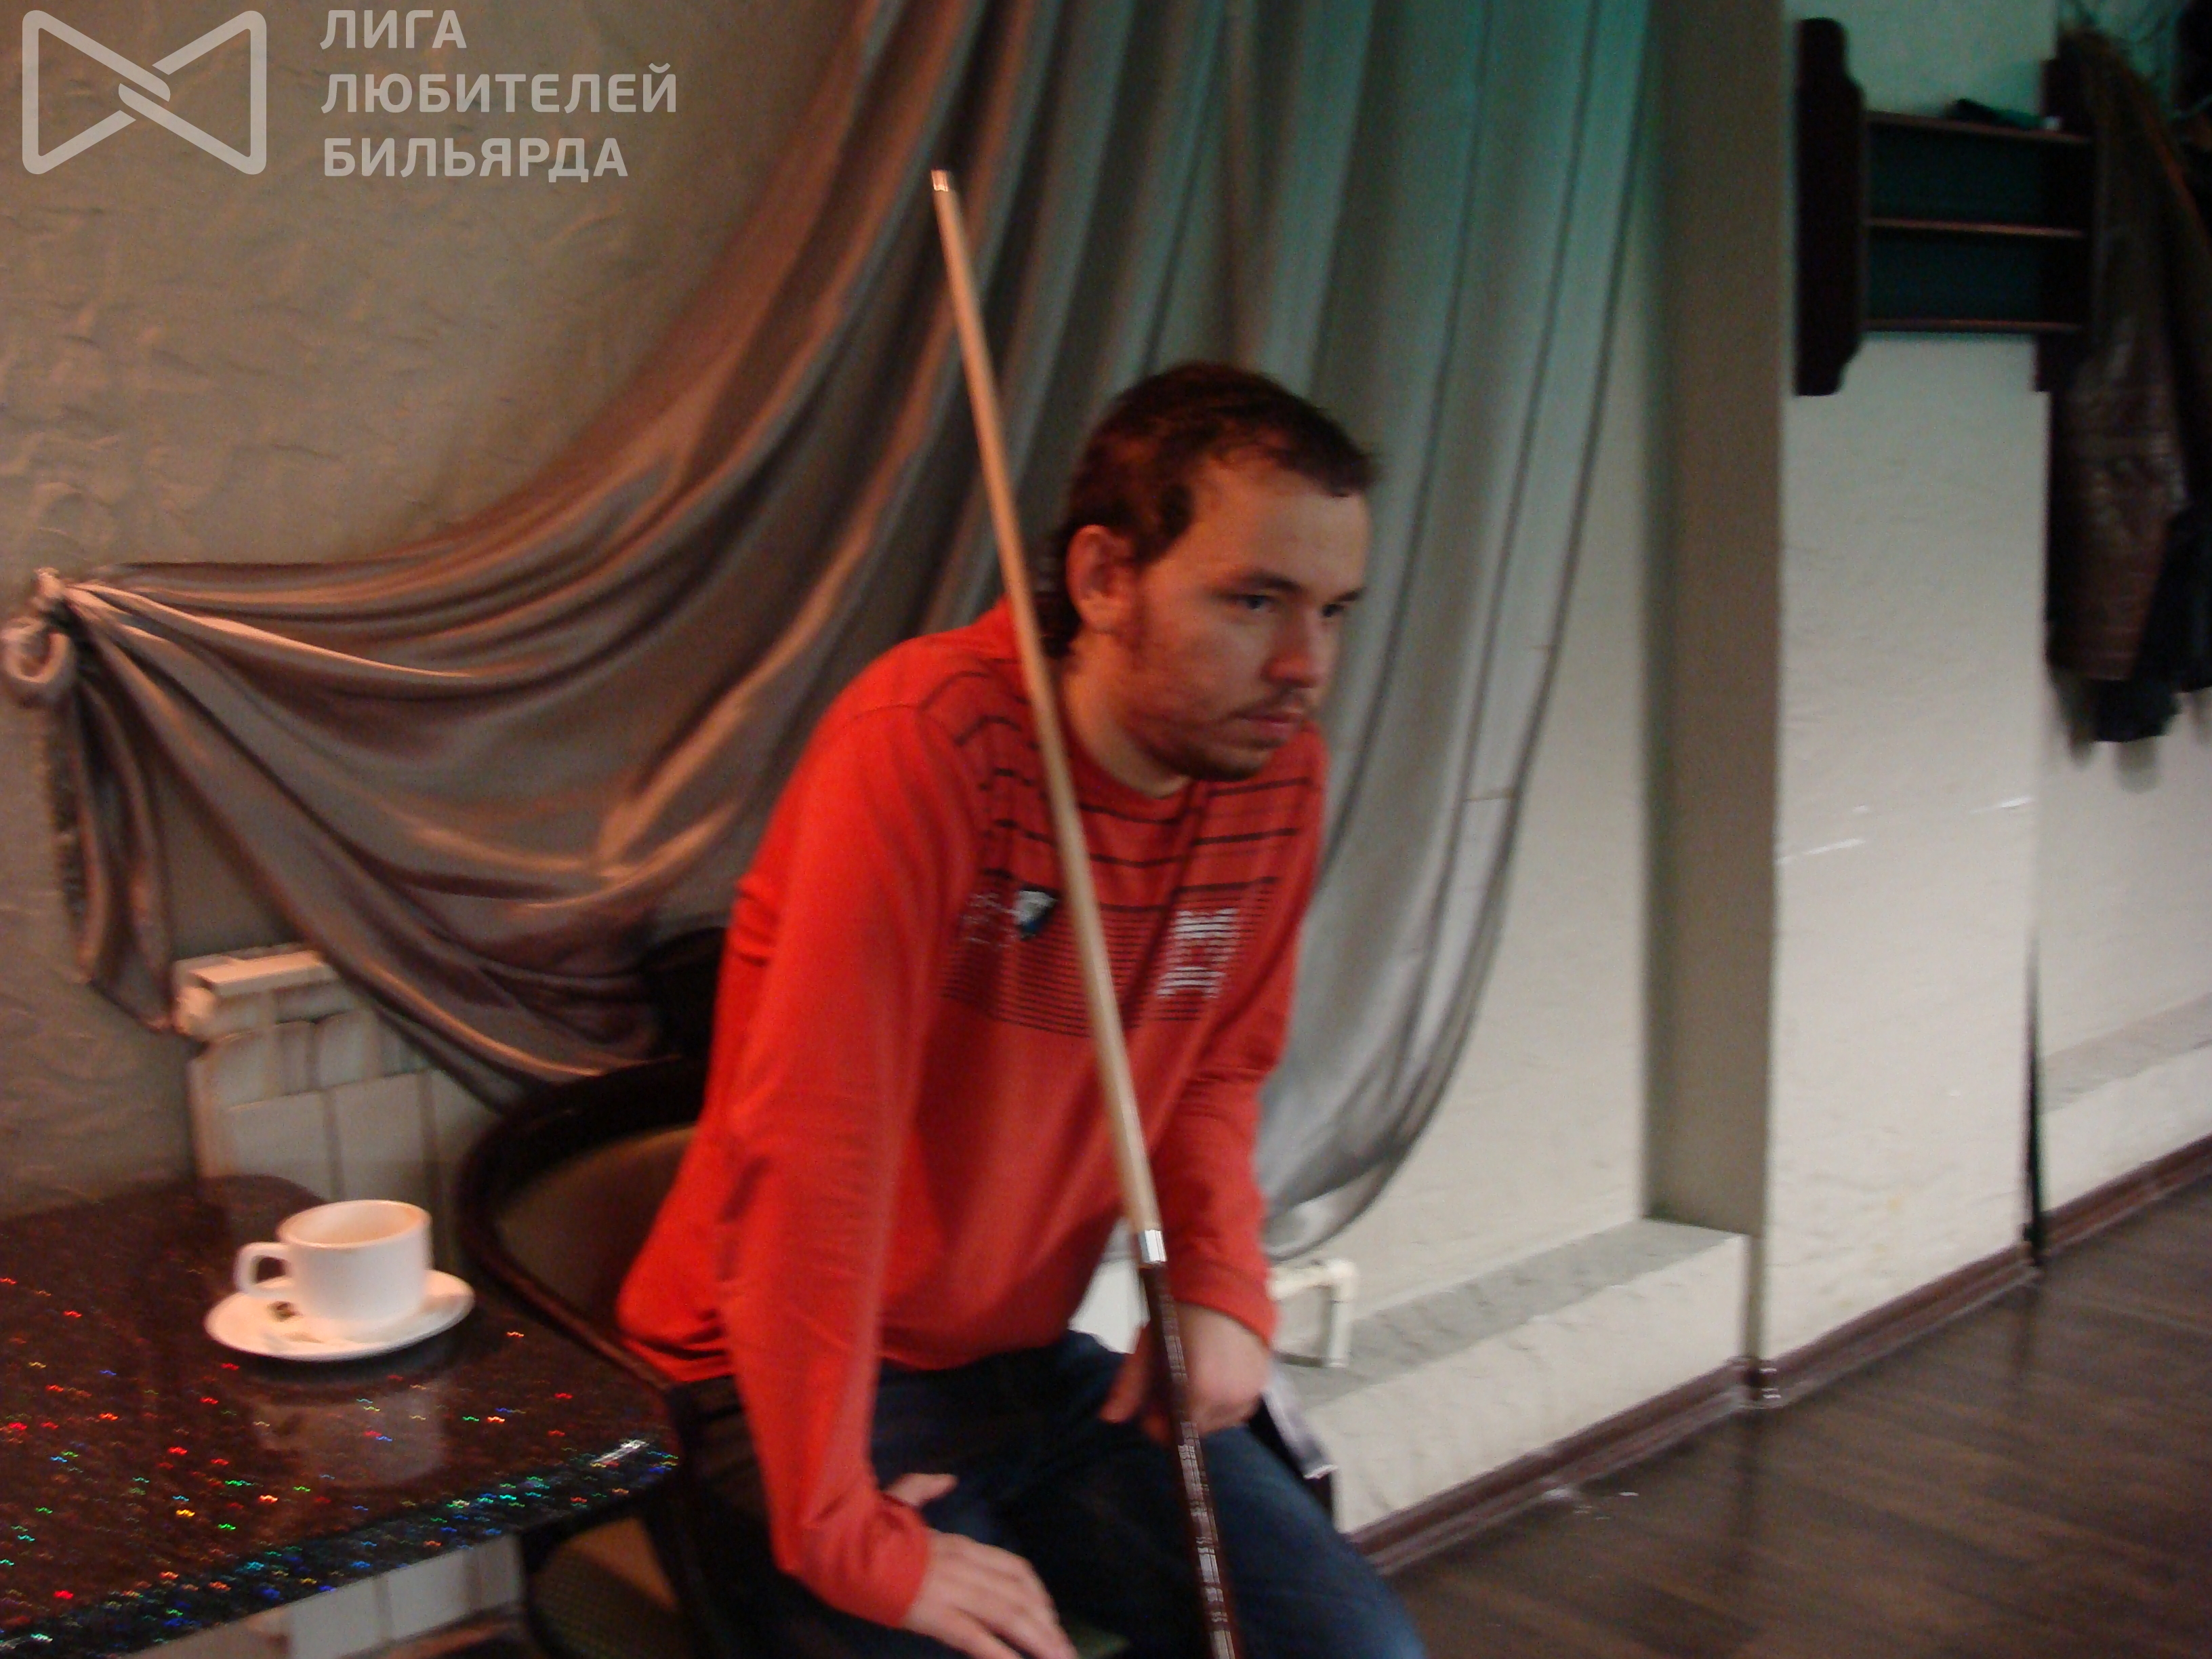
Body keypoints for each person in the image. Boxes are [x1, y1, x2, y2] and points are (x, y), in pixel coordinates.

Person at [617, 363, 1426, 1659]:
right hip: (773, 1375)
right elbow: (816, 1153)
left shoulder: (1272, 776)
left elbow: (1216, 1066)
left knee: (1355, 1651)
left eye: (1332, 611)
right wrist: (841, 1530)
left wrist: (1220, 1281)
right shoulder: (927, 743)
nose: (1304, 666)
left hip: (1020, 1362)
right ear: (1104, 578)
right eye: (1253, 601)